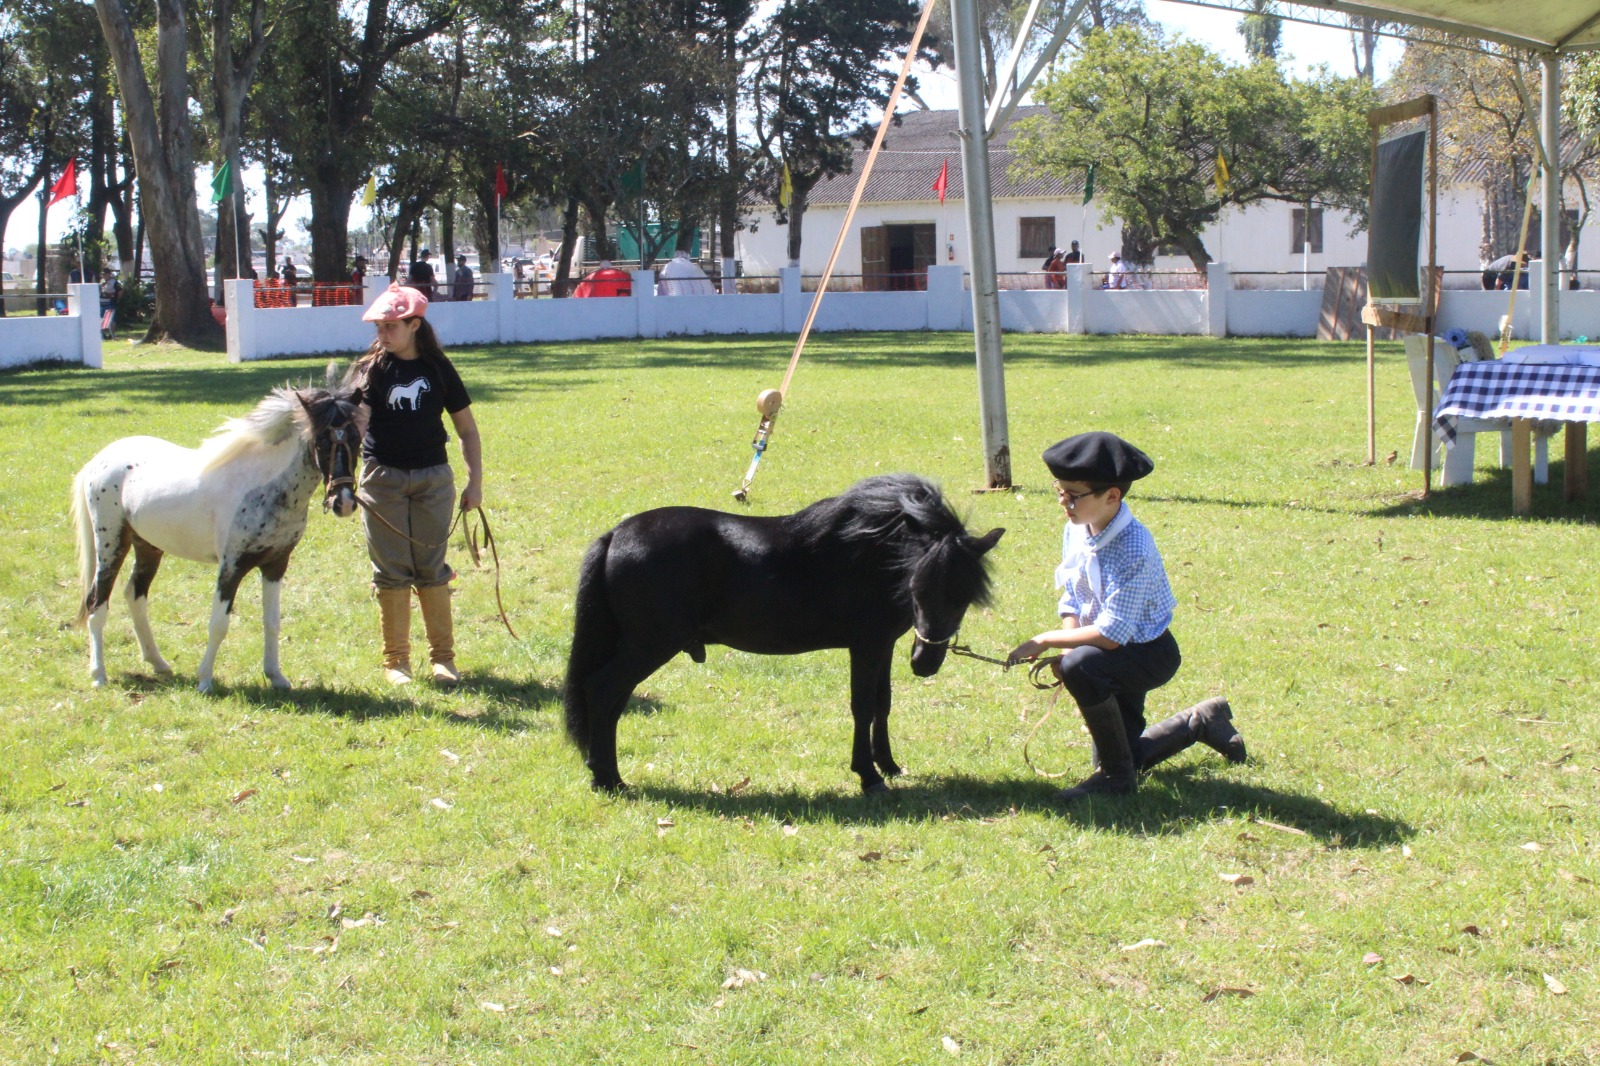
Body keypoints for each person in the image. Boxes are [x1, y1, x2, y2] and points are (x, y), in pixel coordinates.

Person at [1008, 431, 1246, 801]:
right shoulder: (1078, 529)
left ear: (1112, 496)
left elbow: (1112, 634)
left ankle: (1117, 781)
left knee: (1082, 672)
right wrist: (1070, 644)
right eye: (1059, 491)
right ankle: (1200, 721)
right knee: (1119, 753)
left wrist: (1046, 640)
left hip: (1145, 654)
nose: (1063, 502)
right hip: (1105, 652)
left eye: (1074, 495)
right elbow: (1073, 596)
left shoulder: (1133, 545)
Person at [348, 283, 483, 686]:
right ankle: (396, 663)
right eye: (379, 326)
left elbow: (467, 431)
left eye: (391, 325)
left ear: (414, 324)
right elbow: (356, 426)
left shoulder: (439, 369)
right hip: (382, 479)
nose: (382, 333)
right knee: (390, 571)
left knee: (430, 567)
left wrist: (475, 483)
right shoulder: (371, 370)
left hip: (432, 481)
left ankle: (444, 660)